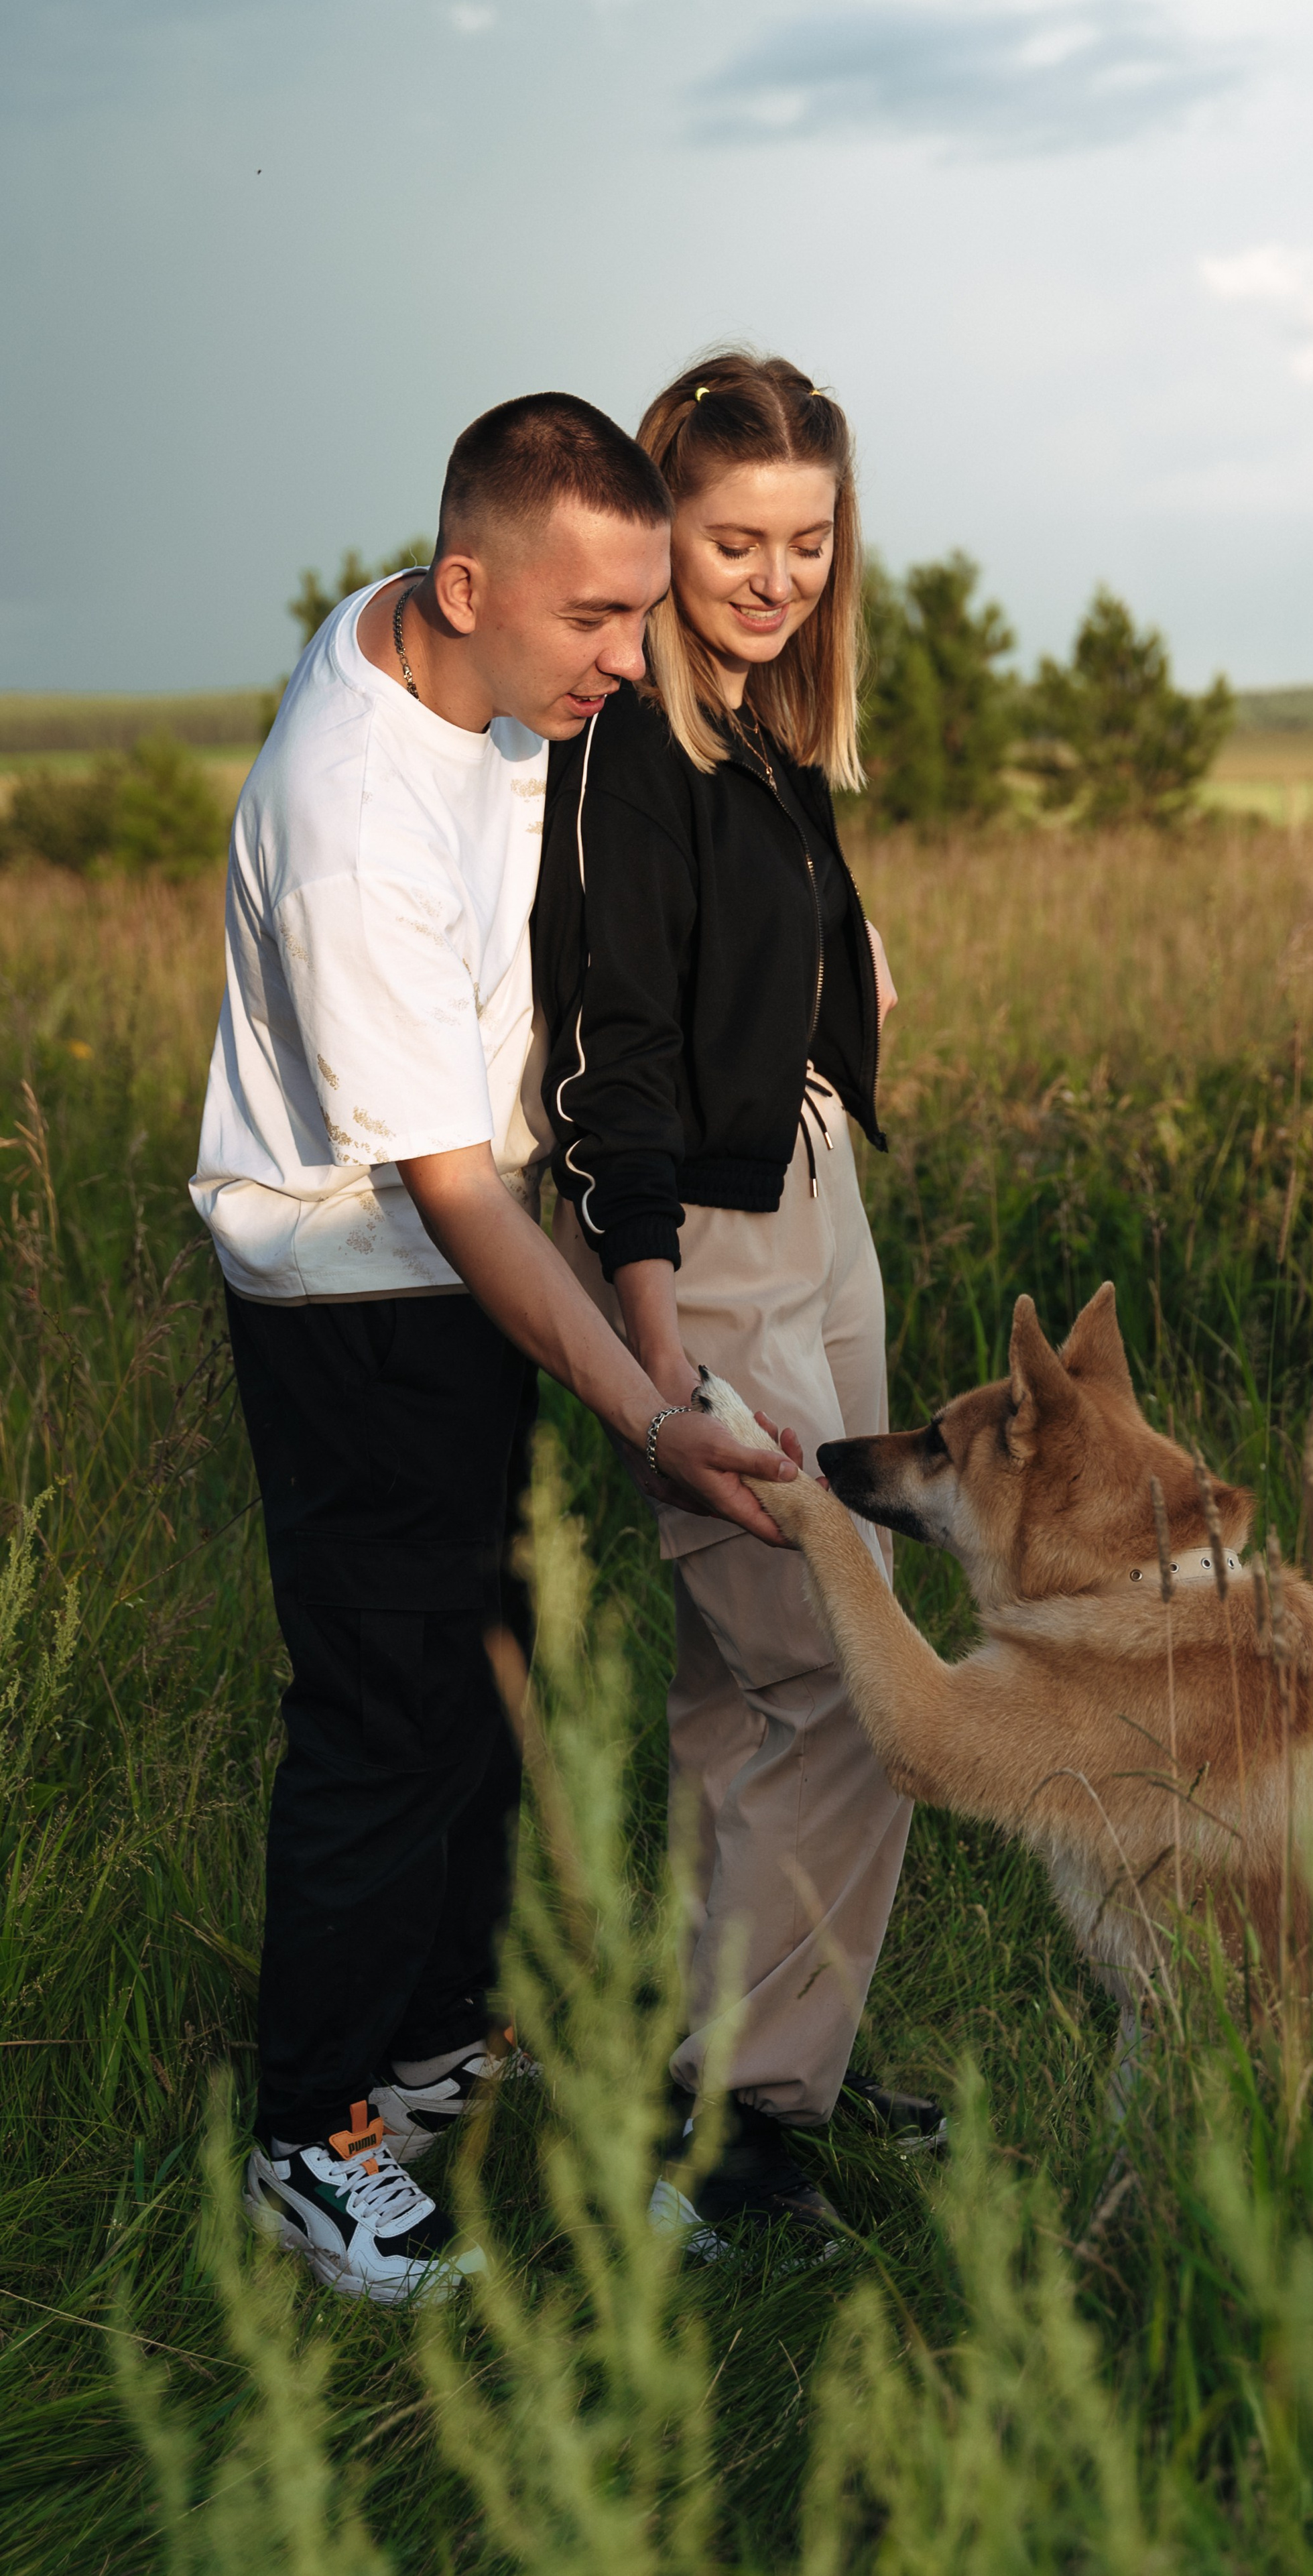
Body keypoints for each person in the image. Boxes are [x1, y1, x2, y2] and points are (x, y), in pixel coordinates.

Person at [191, 391, 799, 2307]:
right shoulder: (348, 818)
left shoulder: (464, 644)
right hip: (352, 1296)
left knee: (484, 1675)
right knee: (386, 1716)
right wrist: (653, 1414)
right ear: (466, 591)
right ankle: (312, 2135)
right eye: (594, 620)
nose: (627, 657)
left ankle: (431, 2044)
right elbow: (454, 1197)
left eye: (640, 611)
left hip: (451, 1274)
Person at [533, 352, 942, 2258]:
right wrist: (654, 1344)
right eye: (732, 542)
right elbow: (609, 1055)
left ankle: (763, 2059)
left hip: (808, 1194)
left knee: (748, 1693)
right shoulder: (631, 746)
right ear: (662, 529)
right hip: (700, 1237)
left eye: (810, 540)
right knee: (844, 1678)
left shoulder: (766, 733)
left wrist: (844, 980)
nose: (776, 577)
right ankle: (730, 2134)